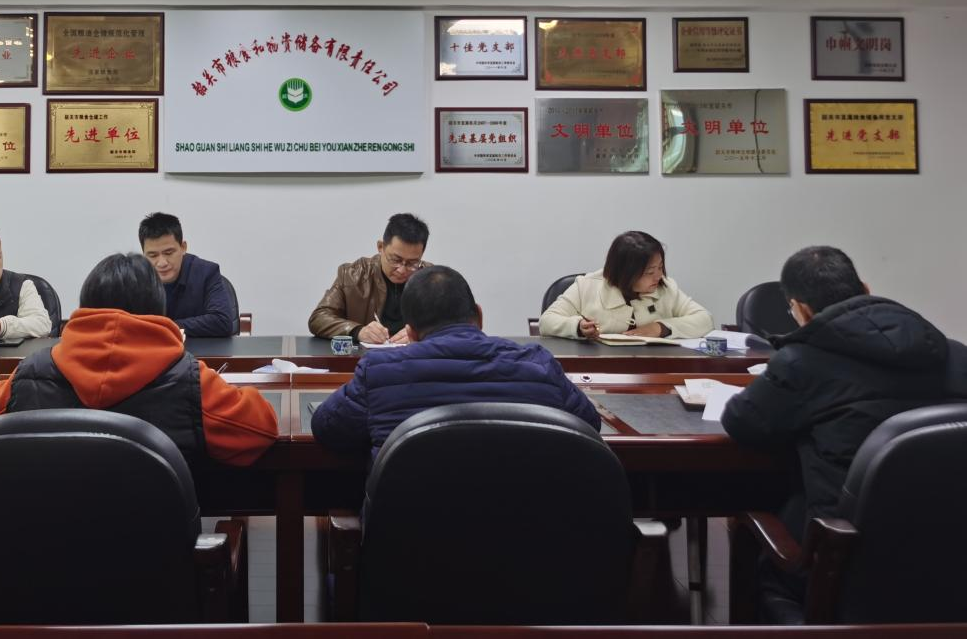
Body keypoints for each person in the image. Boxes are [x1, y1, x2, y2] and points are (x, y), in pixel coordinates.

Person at [723, 246, 967, 546]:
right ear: (865, 289)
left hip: (844, 547)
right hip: (950, 541)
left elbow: (741, 423)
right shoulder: (955, 353)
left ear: (800, 310)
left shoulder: (800, 363)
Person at [0, 253, 277, 468]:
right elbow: (260, 429)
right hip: (160, 548)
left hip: (45, 547)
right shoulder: (190, 379)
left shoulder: (31, 374)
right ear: (158, 309)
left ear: (85, 306)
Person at [312, 265, 599, 457]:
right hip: (528, 527)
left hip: (408, 528)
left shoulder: (379, 372)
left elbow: (327, 429)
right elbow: (590, 423)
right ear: (479, 316)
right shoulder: (539, 365)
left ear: (410, 333)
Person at [538, 230, 713, 340]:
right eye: (650, 272)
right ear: (625, 272)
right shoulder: (586, 286)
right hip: (598, 370)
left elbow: (705, 319)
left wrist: (661, 328)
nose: (659, 276)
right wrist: (578, 327)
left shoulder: (666, 289)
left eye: (660, 267)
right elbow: (547, 321)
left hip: (653, 370)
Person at [309, 213, 431, 343]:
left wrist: (421, 334)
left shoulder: (431, 280)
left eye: (412, 263)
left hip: (413, 355)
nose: (402, 269)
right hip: (365, 355)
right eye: (395, 260)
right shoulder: (353, 275)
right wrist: (358, 331)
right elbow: (318, 318)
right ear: (381, 247)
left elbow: (448, 325)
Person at [138, 212, 237, 337]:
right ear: (143, 254)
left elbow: (222, 322)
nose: (162, 263)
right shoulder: (136, 279)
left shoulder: (207, 273)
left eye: (169, 253)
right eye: (153, 255)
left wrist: (165, 327)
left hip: (200, 348)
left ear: (183, 247)